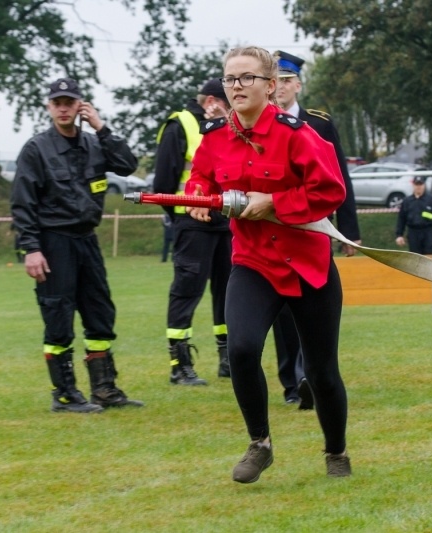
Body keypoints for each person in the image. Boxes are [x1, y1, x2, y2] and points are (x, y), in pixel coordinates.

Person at [185, 45, 351, 481]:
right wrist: (199, 196)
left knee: (320, 372)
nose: (235, 86)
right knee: (240, 350)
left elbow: (331, 192)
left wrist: (273, 202)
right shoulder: (215, 137)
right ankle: (260, 443)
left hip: (308, 265)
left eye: (246, 78)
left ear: (271, 86)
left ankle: (336, 453)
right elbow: (199, 176)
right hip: (254, 262)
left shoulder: (300, 135)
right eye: (229, 79)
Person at [10, 77, 143, 413]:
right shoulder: (36, 149)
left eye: (70, 102)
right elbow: (23, 203)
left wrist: (101, 127)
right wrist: (31, 248)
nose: (64, 108)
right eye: (58, 103)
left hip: (87, 240)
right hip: (53, 242)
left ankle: (104, 389)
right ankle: (65, 394)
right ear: (49, 107)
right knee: (58, 315)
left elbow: (128, 164)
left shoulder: (94, 143)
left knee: (100, 314)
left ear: (81, 105)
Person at [271, 49, 361, 410]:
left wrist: (349, 230)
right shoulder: (261, 124)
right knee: (281, 311)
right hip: (275, 231)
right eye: (275, 82)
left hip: (314, 229)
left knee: (314, 306)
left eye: (287, 81)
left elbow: (341, 178)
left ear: (298, 85)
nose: (280, 89)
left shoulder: (319, 124)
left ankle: (312, 374)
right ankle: (291, 382)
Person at [153, 79, 232, 384]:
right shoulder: (179, 124)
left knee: (228, 292)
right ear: (212, 100)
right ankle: (180, 364)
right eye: (228, 99)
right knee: (187, 291)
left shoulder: (229, 124)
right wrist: (180, 216)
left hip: (225, 219)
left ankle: (228, 359)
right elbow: (163, 182)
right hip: (192, 222)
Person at [395, 176, 432, 254]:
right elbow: (401, 219)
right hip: (413, 233)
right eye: (416, 185)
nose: (418, 187)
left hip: (428, 232)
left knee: (428, 257)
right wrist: (399, 235)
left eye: (420, 185)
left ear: (424, 185)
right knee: (415, 258)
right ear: (413, 185)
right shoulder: (407, 201)